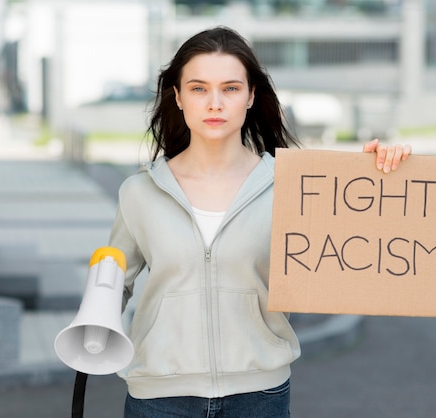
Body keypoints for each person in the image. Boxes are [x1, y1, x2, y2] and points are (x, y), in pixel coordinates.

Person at [108, 26, 411, 418]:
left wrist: (386, 176)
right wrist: (94, 327)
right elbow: (114, 286)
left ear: (251, 95)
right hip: (159, 398)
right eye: (199, 88)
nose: (214, 103)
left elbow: (355, 254)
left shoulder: (293, 187)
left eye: (230, 88)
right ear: (178, 97)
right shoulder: (139, 192)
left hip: (258, 397)